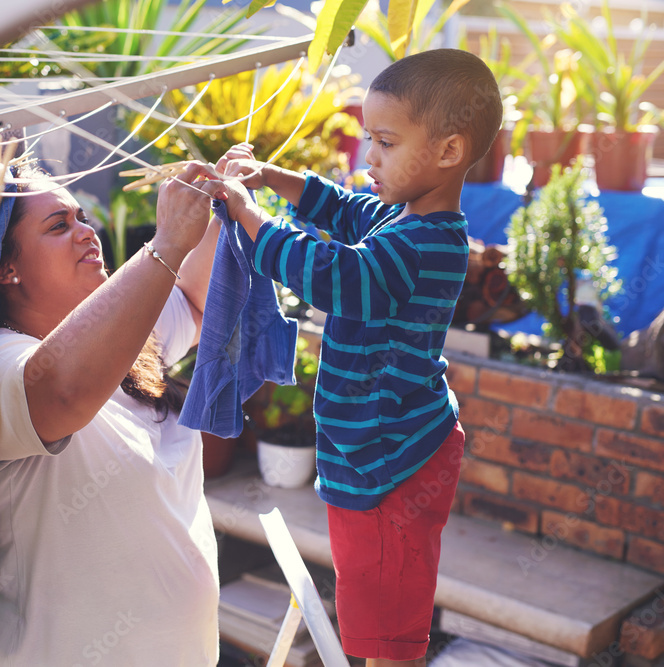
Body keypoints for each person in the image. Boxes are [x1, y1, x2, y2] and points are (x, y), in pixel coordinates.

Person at [207, 49, 504, 667]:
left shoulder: (424, 245)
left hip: (392, 468)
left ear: (448, 152)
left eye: (386, 142)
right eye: (369, 138)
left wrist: (253, 221)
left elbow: (337, 276)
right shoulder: (402, 218)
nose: (369, 155)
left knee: (388, 636)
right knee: (369, 609)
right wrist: (268, 176)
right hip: (376, 453)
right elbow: (340, 209)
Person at [0, 159, 223, 666]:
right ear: (5, 268)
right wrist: (167, 242)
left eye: (82, 217)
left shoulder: (123, 340)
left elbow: (194, 301)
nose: (86, 231)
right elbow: (63, 392)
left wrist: (221, 200)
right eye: (59, 226)